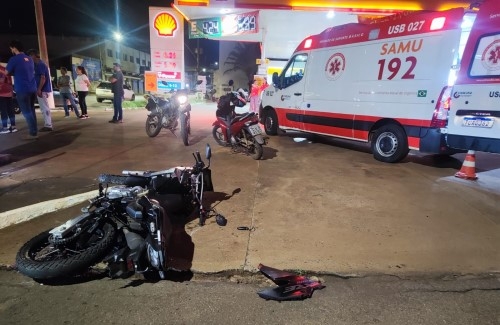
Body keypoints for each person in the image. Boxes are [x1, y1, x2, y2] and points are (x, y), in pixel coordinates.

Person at [6, 40, 38, 140]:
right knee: (31, 110)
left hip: (22, 89)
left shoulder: (14, 59)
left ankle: (33, 133)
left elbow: (6, 72)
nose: (11, 50)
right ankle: (34, 131)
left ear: (14, 48)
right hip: (32, 88)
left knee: (26, 112)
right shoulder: (29, 58)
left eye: (11, 48)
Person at [27, 48, 53, 131]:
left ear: (33, 55)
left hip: (42, 90)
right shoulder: (37, 64)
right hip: (42, 89)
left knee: (44, 107)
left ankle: (48, 125)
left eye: (30, 56)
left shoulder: (40, 64)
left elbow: (43, 78)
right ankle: (48, 124)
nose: (29, 58)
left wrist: (39, 89)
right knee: (44, 107)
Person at [0, 64, 16, 134]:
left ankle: (5, 128)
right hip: (9, 92)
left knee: (3, 111)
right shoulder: (5, 68)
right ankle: (13, 127)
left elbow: (1, 80)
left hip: (1, 92)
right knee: (10, 110)